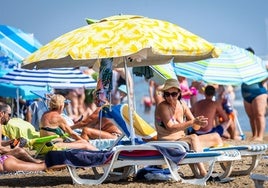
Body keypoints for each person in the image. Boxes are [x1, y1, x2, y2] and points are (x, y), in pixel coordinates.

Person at [155, 79, 223, 177]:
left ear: (179, 93)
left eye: (173, 94)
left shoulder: (182, 104)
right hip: (168, 142)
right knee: (193, 138)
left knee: (216, 136)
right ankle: (203, 172)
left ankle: (224, 167)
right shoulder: (162, 106)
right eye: (167, 94)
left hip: (182, 141)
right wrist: (192, 122)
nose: (170, 97)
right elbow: (171, 127)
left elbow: (195, 127)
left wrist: (199, 123)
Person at [241, 47, 268, 141]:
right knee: (251, 116)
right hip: (245, 93)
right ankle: (254, 135)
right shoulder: (241, 66)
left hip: (258, 92)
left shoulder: (259, 65)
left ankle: (260, 136)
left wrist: (264, 81)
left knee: (259, 114)